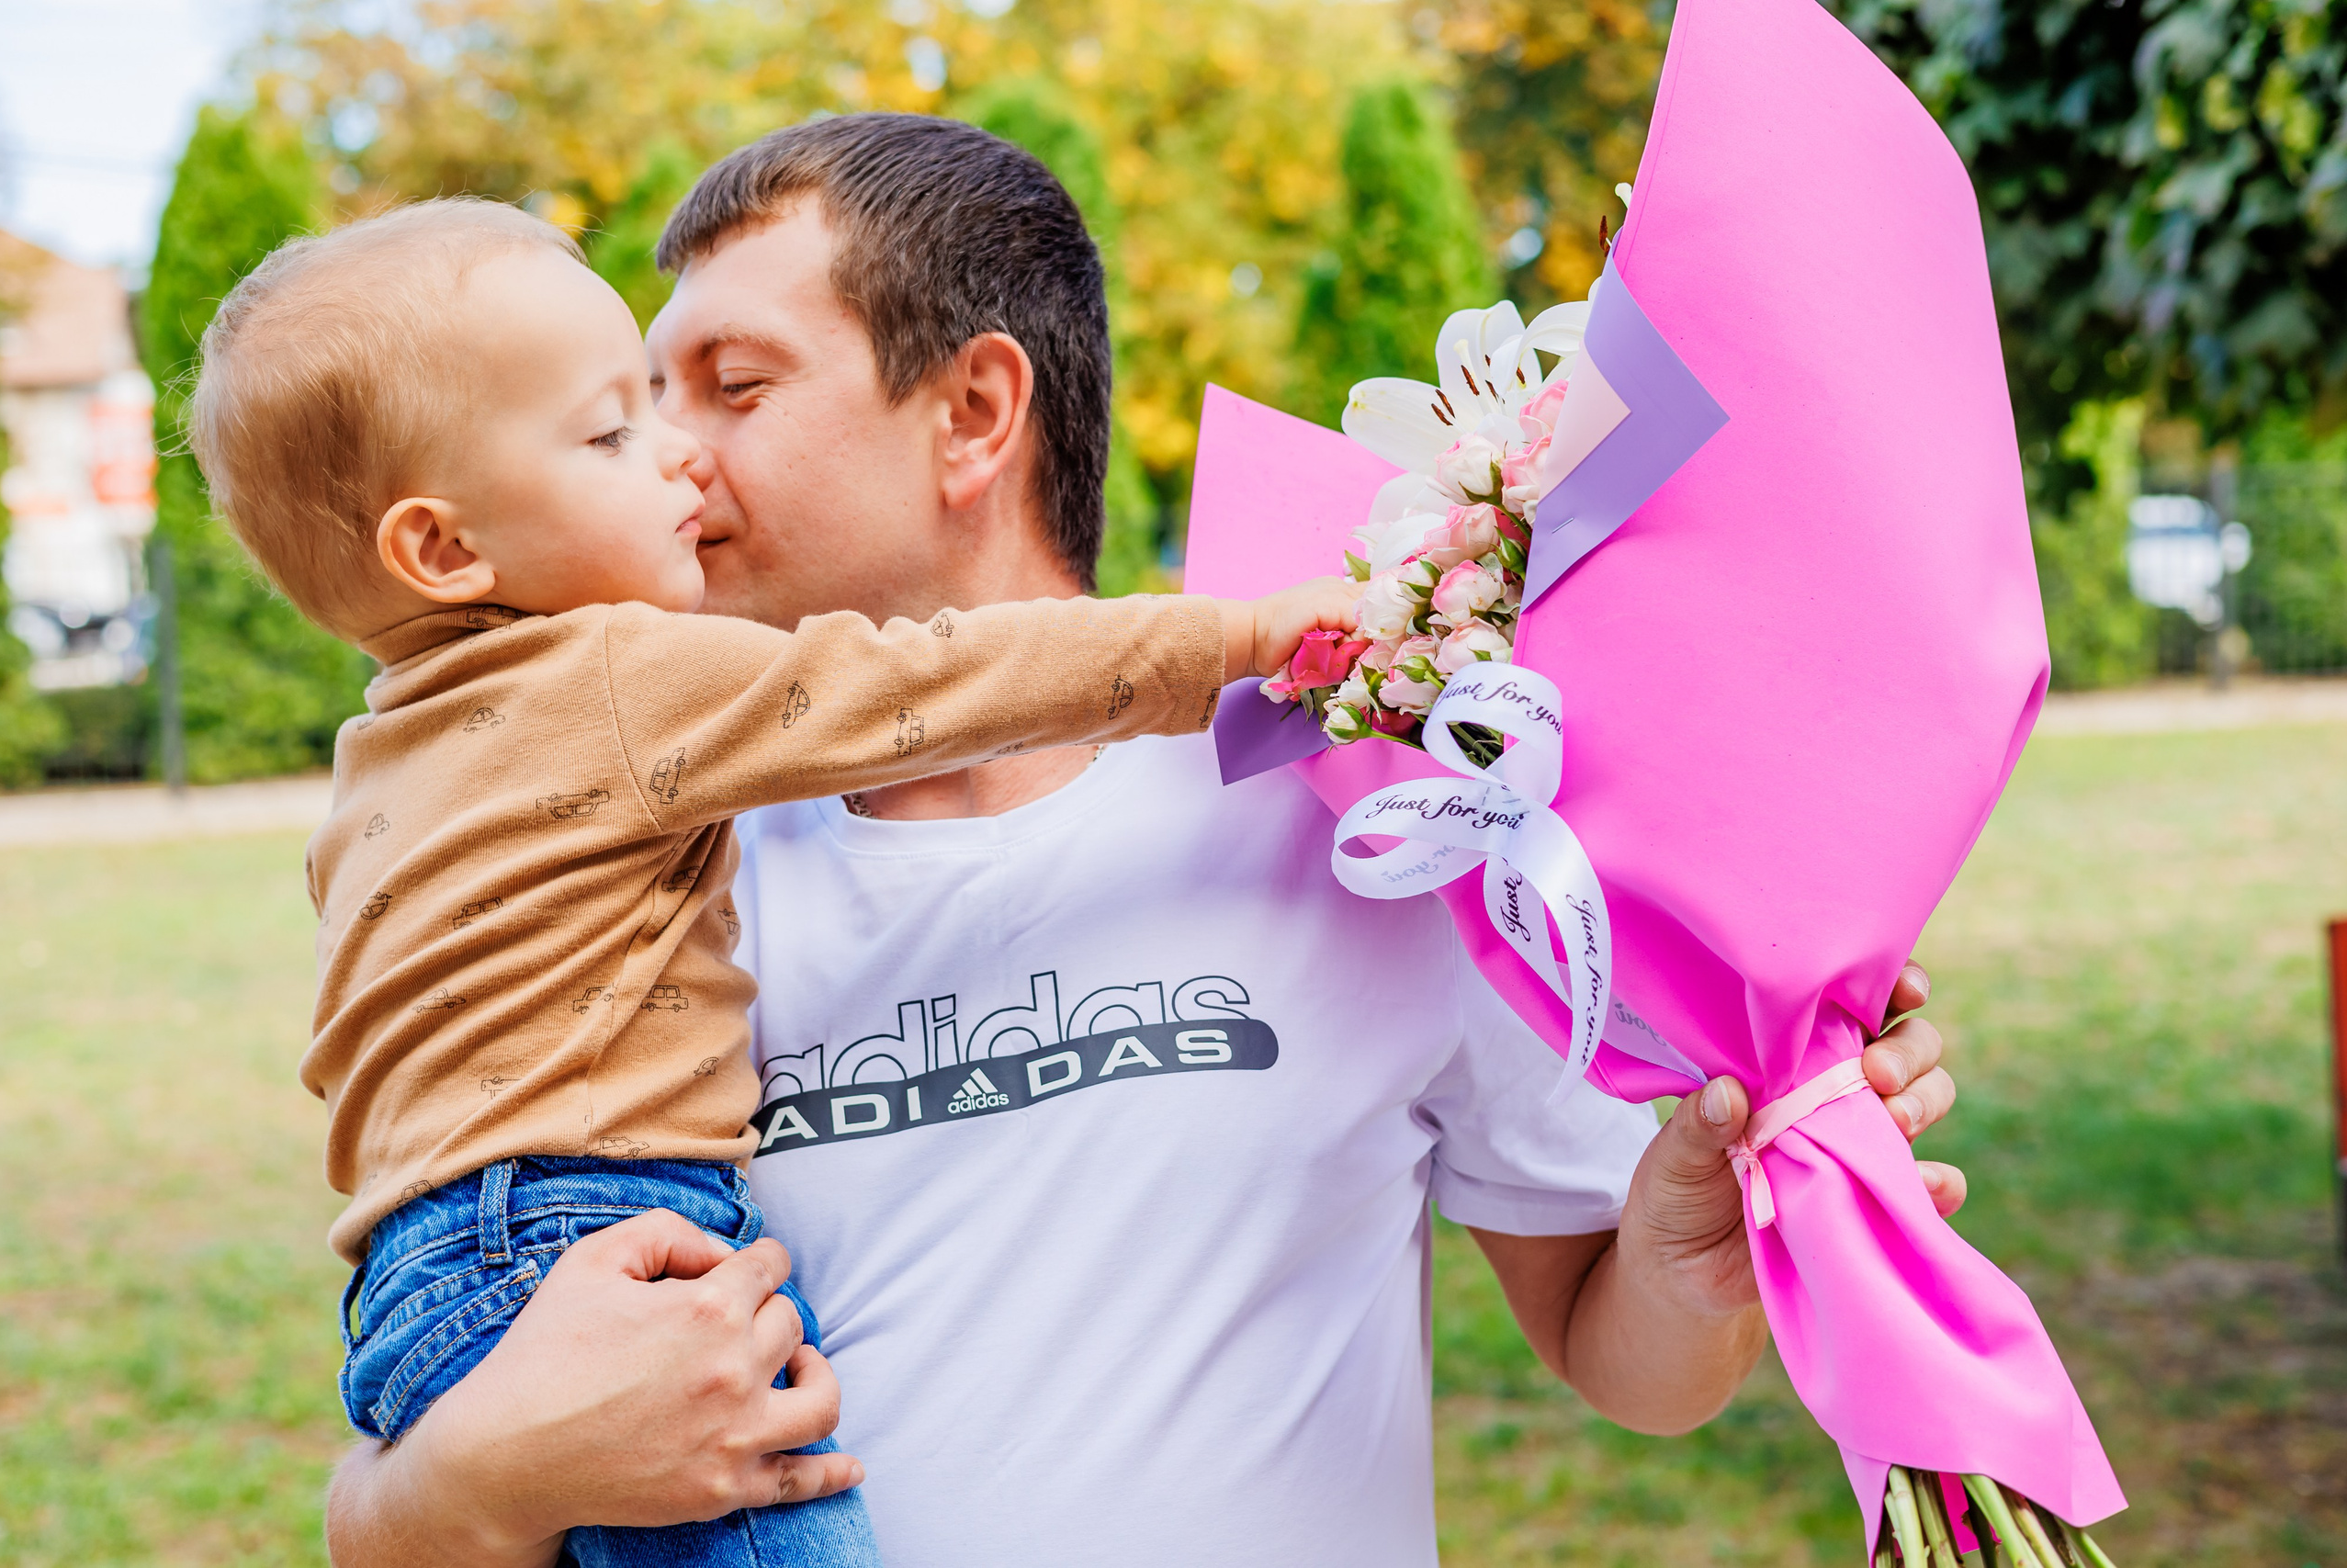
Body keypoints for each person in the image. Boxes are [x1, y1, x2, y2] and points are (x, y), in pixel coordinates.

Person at [323, 115, 1966, 1567]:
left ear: (974, 412)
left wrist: (1697, 1257)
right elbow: (397, 1486)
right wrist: (467, 1487)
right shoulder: (631, 891)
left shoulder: (1377, 815)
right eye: (637, 406)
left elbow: (1630, 1369)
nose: (670, 455)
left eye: (731, 388)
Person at [187, 194, 1361, 1568]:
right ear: (445, 550)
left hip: (416, 1282)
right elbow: (936, 680)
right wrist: (1243, 634)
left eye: (717, 393)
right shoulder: (616, 681)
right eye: (615, 429)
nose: (678, 455)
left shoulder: (387, 754)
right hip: (593, 1233)